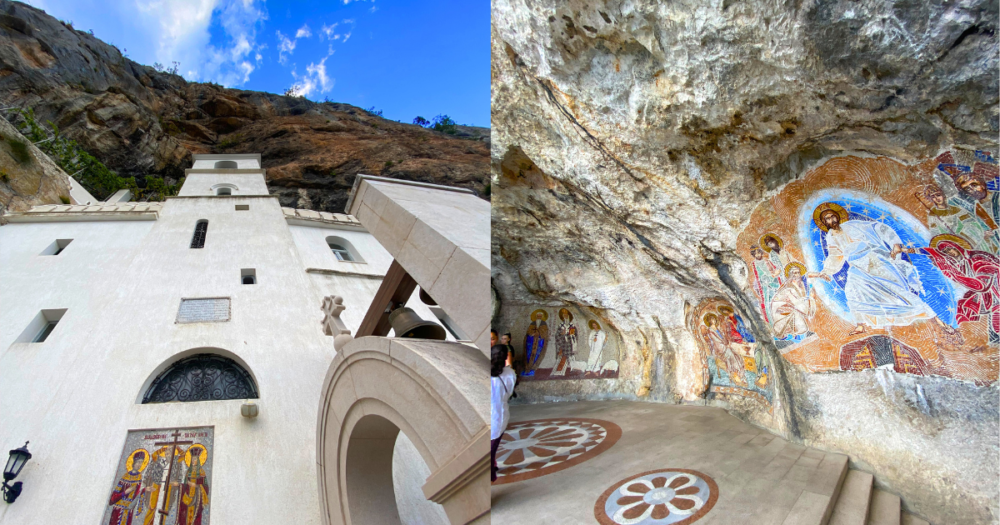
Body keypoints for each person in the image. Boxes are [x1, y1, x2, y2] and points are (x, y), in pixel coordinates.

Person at [807, 202, 952, 336]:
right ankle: (861, 325)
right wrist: (826, 272)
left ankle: (938, 321)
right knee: (851, 290)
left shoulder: (853, 225)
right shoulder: (831, 237)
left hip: (874, 260)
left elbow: (879, 227)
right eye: (827, 219)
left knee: (897, 292)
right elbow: (835, 256)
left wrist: (895, 243)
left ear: (837, 217)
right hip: (857, 266)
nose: (831, 220)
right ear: (824, 223)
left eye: (832, 216)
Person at [770, 263, 817, 339]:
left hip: (788, 305)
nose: (797, 275)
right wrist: (811, 300)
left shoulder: (800, 284)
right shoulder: (789, 286)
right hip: (779, 308)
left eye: (798, 272)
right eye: (794, 273)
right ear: (790, 275)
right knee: (796, 311)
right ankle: (796, 333)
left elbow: (799, 300)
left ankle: (796, 334)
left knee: (795, 309)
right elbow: (797, 303)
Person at [490, 345, 516, 482]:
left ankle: (492, 468)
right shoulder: (510, 374)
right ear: (506, 357)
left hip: (489, 414)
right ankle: (491, 471)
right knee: (492, 447)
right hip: (500, 415)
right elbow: (510, 392)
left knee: (489, 448)